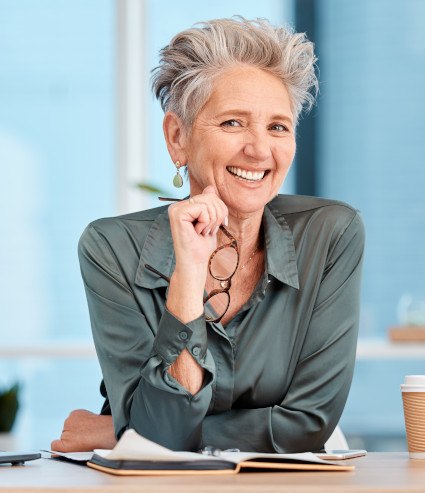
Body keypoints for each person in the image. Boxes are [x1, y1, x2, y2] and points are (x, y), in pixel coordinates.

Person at [51, 17, 364, 453]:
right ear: (178, 137)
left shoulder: (331, 234)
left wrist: (121, 432)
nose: (259, 149)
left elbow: (309, 423)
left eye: (277, 126)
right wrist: (188, 276)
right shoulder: (111, 249)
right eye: (233, 122)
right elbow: (164, 430)